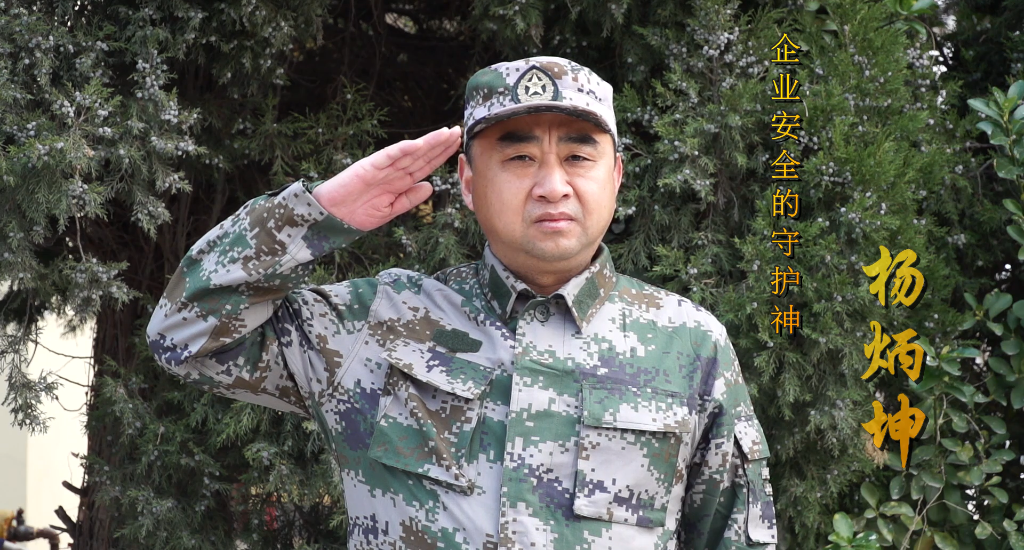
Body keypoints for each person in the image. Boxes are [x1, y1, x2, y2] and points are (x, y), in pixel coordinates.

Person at [148, 56, 777, 549]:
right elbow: (184, 333)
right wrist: (318, 214)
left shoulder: (687, 345)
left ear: (615, 177)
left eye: (578, 156)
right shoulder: (379, 324)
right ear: (469, 182)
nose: (552, 185)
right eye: (520, 156)